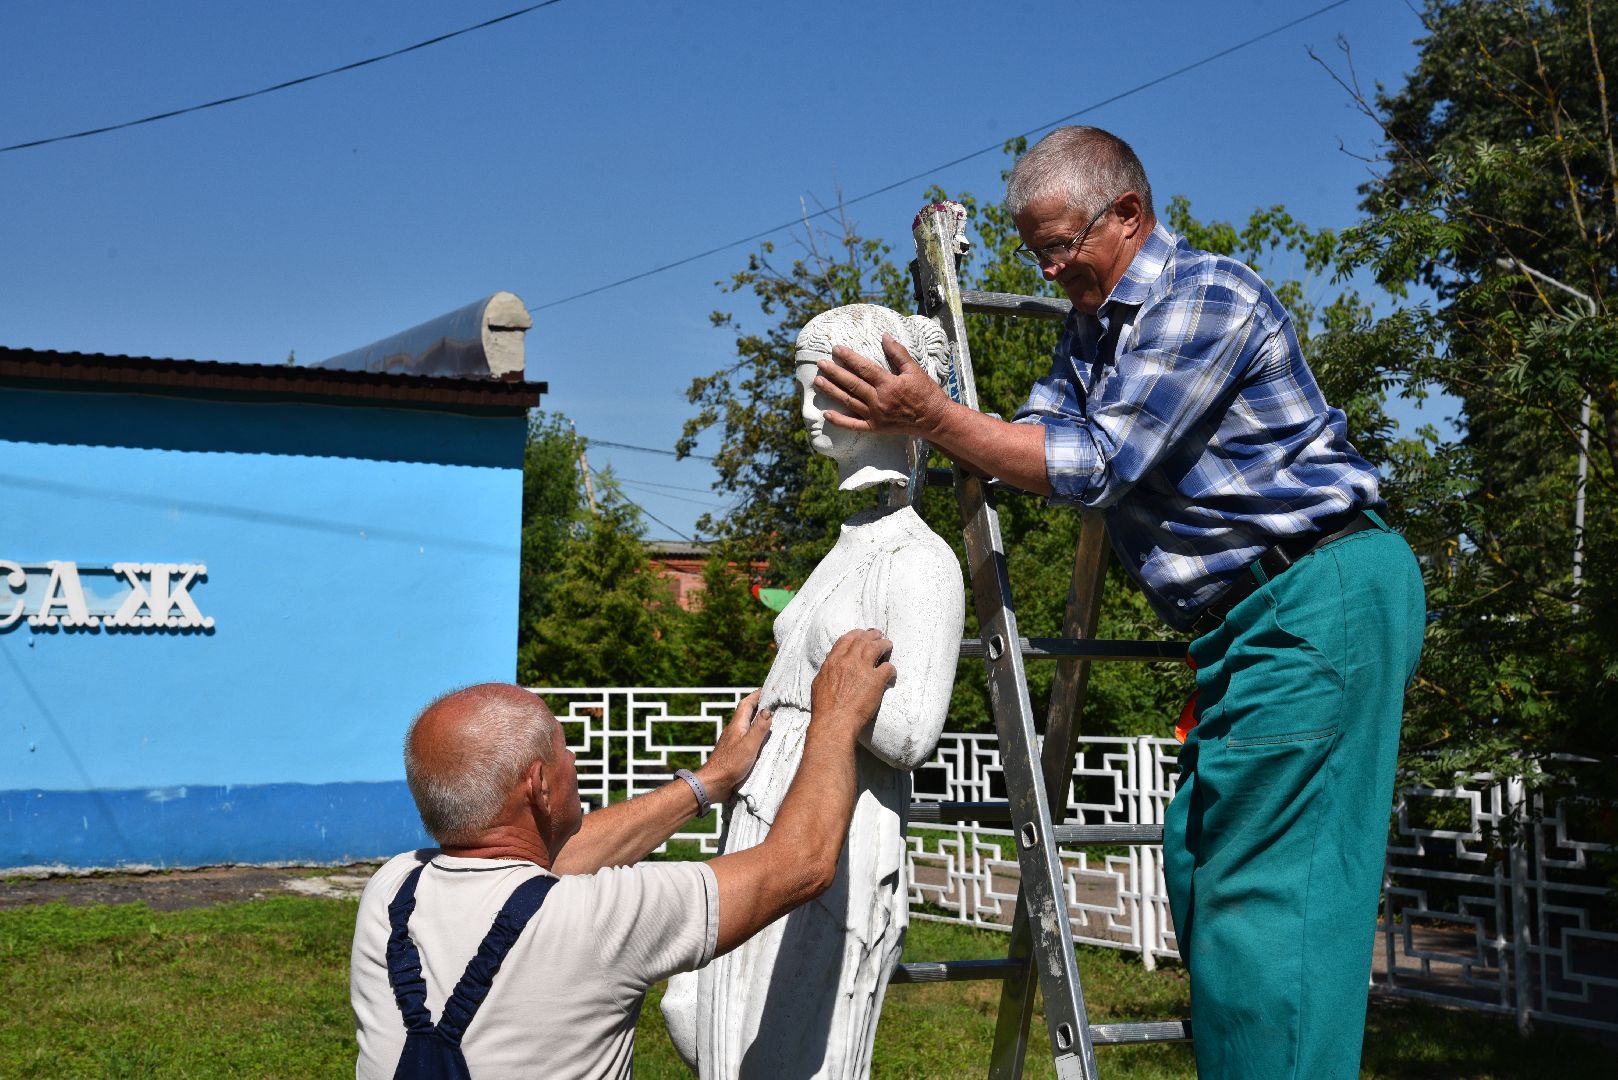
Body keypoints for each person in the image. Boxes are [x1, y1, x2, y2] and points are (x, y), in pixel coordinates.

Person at [811, 126, 1426, 1079]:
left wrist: (933, 415)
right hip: (1243, 628)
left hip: (1315, 594)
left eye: (1063, 246)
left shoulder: (1203, 297)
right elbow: (1032, 438)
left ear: (1129, 215)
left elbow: (1093, 464)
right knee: (1199, 866)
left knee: (1274, 909)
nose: (1053, 270)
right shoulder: (1091, 332)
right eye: (1036, 253)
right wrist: (944, 425)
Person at [349, 627, 897, 1080]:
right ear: (539, 785)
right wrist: (836, 718)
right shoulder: (600, 919)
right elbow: (799, 865)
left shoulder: (392, 888)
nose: (574, 763)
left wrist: (710, 781)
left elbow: (548, 863)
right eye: (563, 749)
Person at [661, 304, 965, 1079]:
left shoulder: (921, 562)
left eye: (820, 392)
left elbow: (912, 734)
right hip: (762, 805)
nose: (804, 414)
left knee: (786, 1059)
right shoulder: (847, 545)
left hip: (837, 822)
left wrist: (835, 693)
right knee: (694, 1016)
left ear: (880, 396)